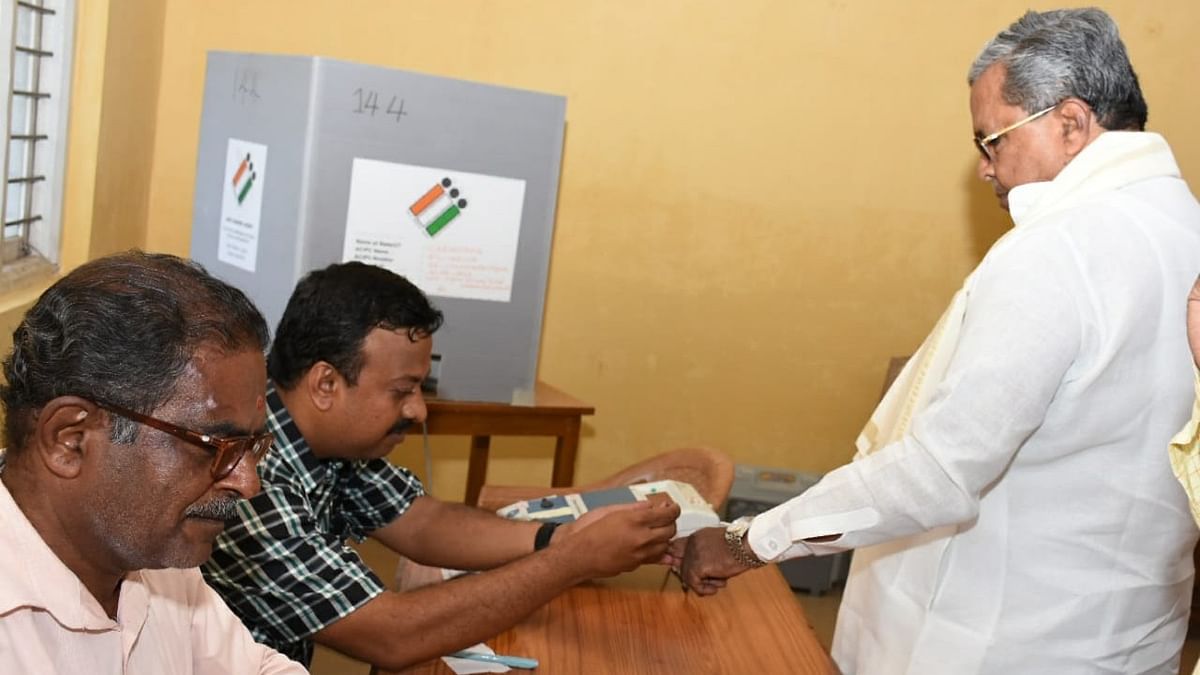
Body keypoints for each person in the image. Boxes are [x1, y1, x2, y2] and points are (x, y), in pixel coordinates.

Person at [677, 8, 1200, 674]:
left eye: (994, 140)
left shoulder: (1056, 249)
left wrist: (749, 539)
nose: (986, 169)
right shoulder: (1188, 230)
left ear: (1071, 123)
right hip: (1132, 641)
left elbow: (938, 472)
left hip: (999, 643)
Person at [202, 261, 679, 670]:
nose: (418, 411)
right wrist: (570, 561)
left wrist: (556, 538)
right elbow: (390, 634)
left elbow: (425, 522)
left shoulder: (332, 440)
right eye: (402, 390)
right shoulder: (248, 478)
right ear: (326, 384)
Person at [0, 251, 304, 673]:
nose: (248, 483)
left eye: (251, 446)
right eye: (213, 444)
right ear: (70, 440)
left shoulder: (156, 558)